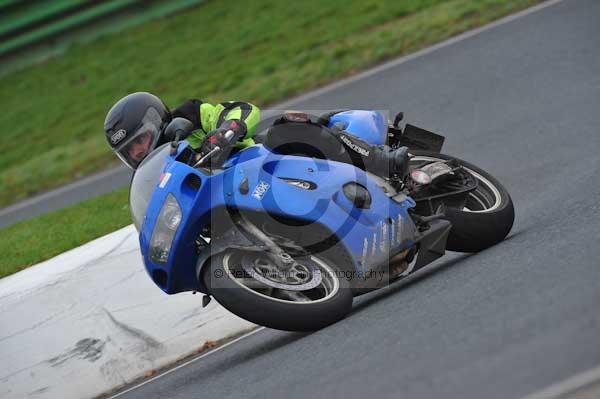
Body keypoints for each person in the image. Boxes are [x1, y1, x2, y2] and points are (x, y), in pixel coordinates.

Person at [103, 92, 408, 177]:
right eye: (130, 152)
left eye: (140, 141)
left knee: (286, 128)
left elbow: (243, 110)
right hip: (235, 198)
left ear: (156, 121)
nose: (139, 153)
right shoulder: (154, 176)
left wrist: (224, 133)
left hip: (261, 162)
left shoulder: (190, 116)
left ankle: (381, 161)